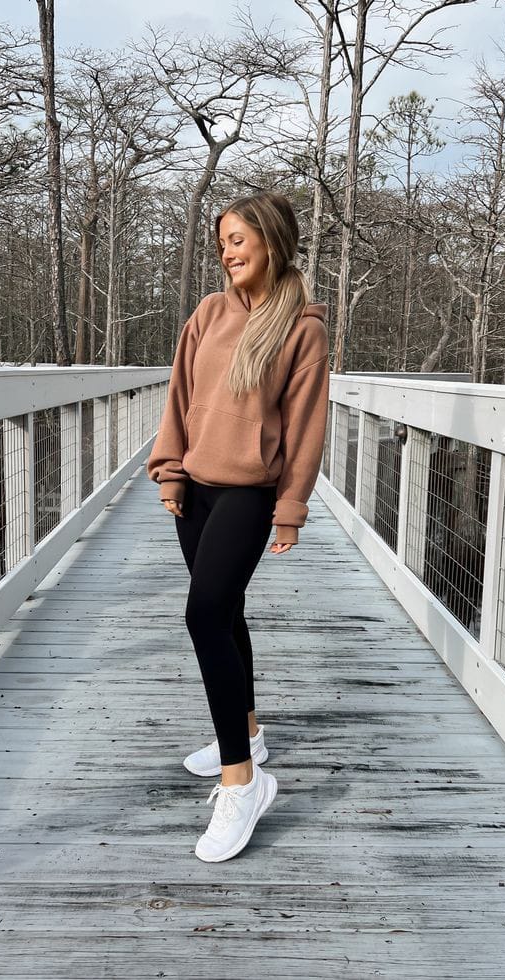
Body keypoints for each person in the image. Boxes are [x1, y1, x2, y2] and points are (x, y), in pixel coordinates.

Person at [146, 190, 330, 862]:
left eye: (236, 240)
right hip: (195, 488)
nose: (226, 252)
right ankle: (247, 735)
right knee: (223, 615)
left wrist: (291, 507)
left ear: (270, 242)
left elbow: (308, 428)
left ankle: (242, 782)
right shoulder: (207, 314)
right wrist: (168, 469)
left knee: (202, 615)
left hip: (250, 493)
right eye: (221, 241)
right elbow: (179, 395)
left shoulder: (301, 328)